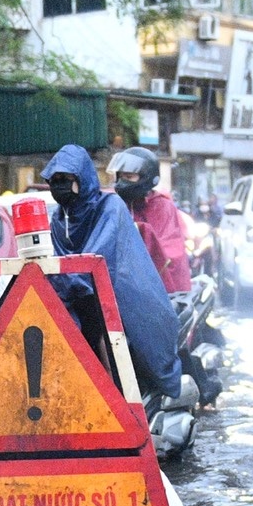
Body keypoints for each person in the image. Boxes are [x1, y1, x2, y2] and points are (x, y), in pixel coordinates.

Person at [43, 144, 182, 401]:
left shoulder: (109, 206)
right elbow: (57, 258)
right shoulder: (60, 218)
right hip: (83, 291)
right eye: (54, 181)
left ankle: (120, 402)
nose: (58, 186)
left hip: (122, 289)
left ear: (81, 178)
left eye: (65, 180)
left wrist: (66, 283)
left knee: (110, 336)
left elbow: (99, 255)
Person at [107, 146, 191, 293]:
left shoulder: (162, 206)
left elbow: (169, 250)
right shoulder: (115, 204)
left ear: (146, 177)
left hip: (158, 289)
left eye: (129, 176)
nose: (122, 182)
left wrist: (138, 232)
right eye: (120, 176)